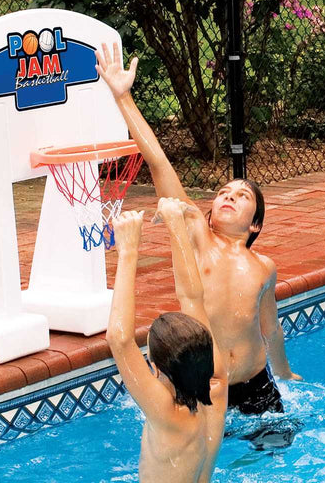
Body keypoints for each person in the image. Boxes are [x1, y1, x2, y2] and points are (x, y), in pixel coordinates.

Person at [96, 42, 301, 418]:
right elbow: (157, 161)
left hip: (257, 383)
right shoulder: (197, 235)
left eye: (242, 196)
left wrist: (285, 373)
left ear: (255, 223)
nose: (228, 195)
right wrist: (123, 97)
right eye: (224, 192)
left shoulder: (264, 267)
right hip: (208, 385)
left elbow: (270, 327)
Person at [106, 199, 227, 483]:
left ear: (158, 369)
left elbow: (120, 339)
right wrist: (175, 224)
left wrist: (129, 251)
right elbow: (191, 297)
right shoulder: (217, 387)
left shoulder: (167, 414)